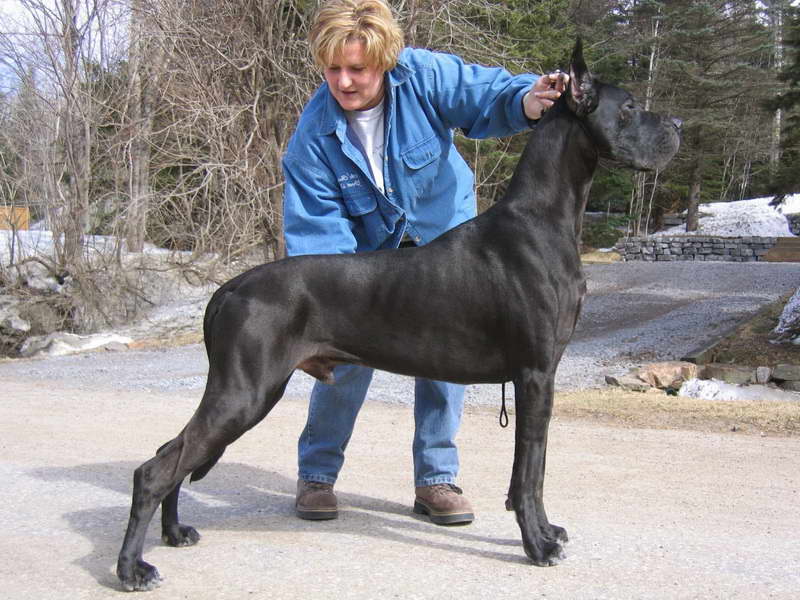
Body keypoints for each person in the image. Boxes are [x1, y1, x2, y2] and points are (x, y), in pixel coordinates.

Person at [281, 0, 567, 525]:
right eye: (333, 69)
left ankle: (436, 479)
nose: (344, 82)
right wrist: (325, 312)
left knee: (448, 360)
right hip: (368, 261)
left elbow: (487, 94)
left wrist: (530, 99)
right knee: (343, 361)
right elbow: (317, 238)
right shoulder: (313, 137)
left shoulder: (423, 75)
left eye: (357, 68)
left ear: (384, 60)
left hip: (448, 243)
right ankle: (317, 474)